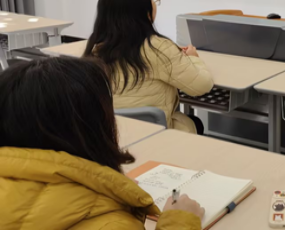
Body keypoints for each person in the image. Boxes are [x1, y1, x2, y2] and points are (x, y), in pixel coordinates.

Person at [0, 57, 205, 229]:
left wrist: (104, 187)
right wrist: (180, 221)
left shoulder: (96, 47)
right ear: (91, 127)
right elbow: (202, 85)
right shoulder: (114, 224)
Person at [84, 0, 214, 134]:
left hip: (111, 134)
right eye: (152, 1)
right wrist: (193, 58)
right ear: (145, 13)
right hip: (155, 134)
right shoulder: (158, 48)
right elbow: (202, 85)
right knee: (196, 123)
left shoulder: (95, 49)